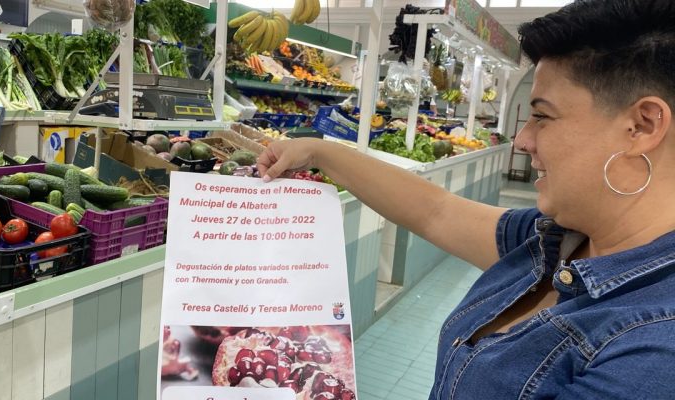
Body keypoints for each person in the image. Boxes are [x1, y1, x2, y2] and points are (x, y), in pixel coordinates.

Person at [256, 0, 675, 398]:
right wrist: (319, 151)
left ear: (642, 125)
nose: (522, 139)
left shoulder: (652, 357)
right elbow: (435, 211)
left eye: (542, 116)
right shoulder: (559, 239)